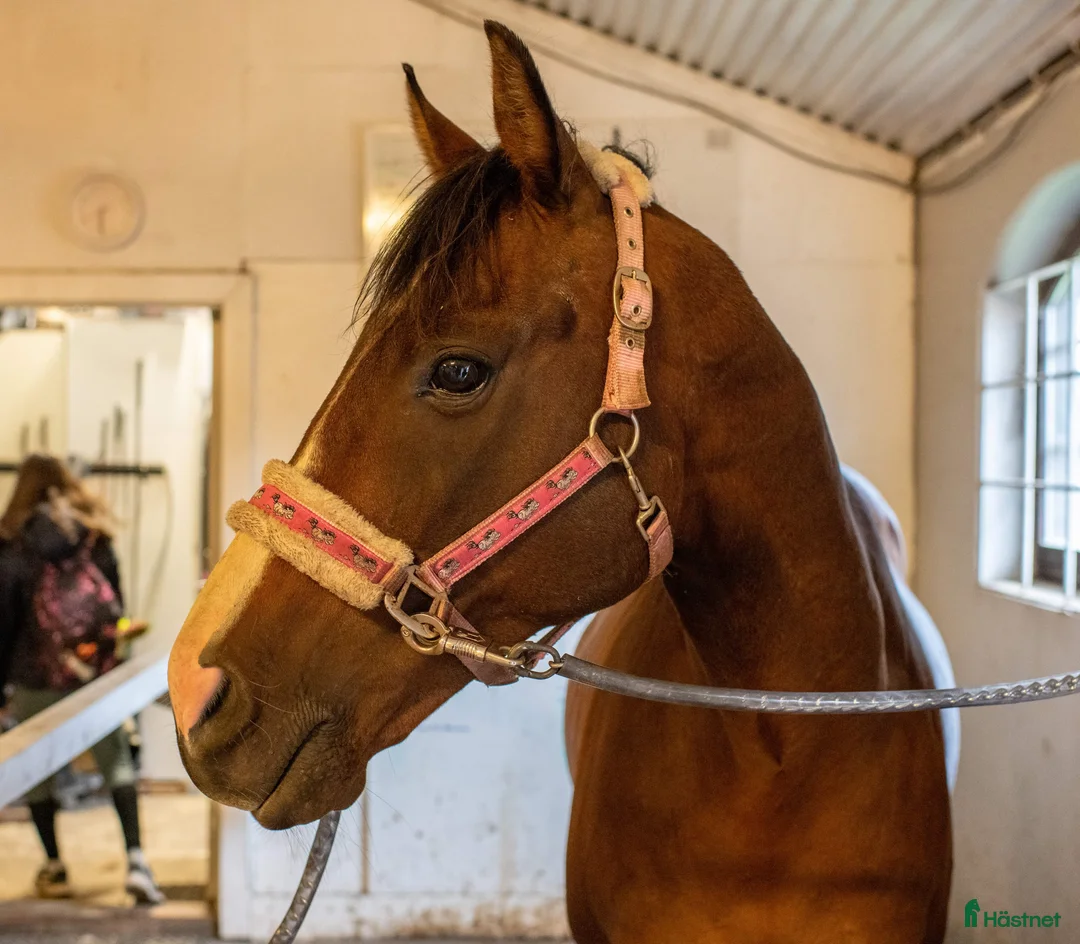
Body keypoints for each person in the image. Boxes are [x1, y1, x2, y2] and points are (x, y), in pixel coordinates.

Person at [0, 455, 164, 904]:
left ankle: (54, 867)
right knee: (117, 764)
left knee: (37, 774)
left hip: (35, 674)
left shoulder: (12, 544)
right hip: (95, 676)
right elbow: (118, 610)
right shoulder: (95, 536)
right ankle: (136, 860)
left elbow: (4, 621)